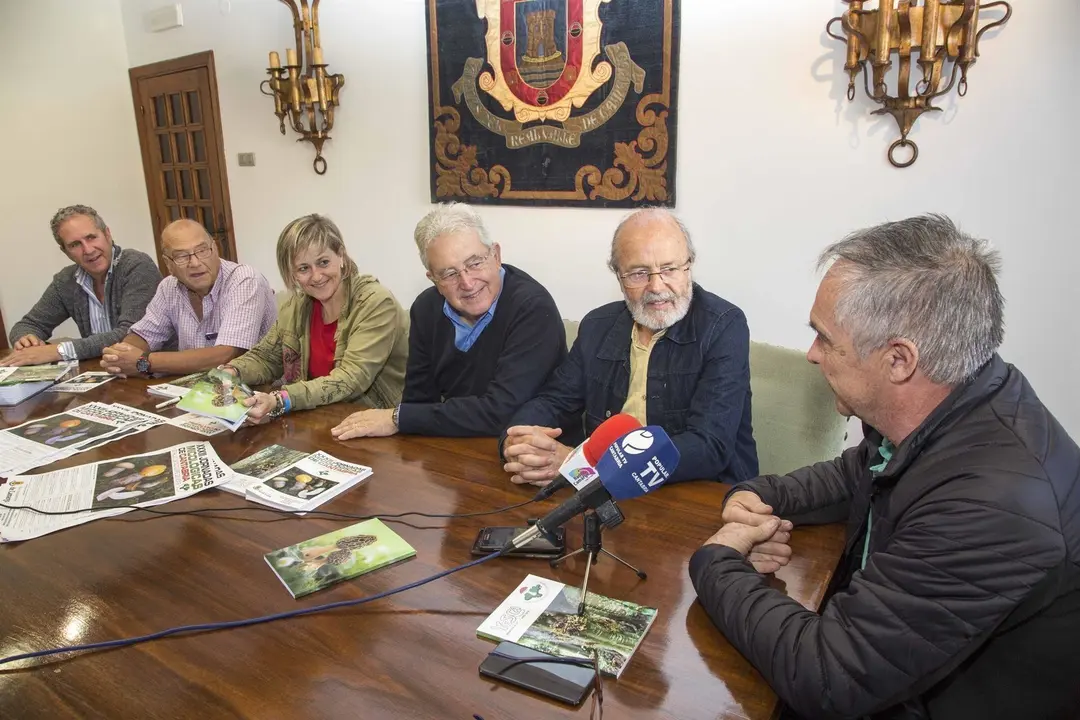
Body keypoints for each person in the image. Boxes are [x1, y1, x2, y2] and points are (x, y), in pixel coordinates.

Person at [690, 215, 1080, 719]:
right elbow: (859, 473)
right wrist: (760, 495)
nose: (811, 355)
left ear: (899, 361)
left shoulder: (991, 502)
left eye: (826, 339)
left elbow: (827, 677)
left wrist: (717, 559)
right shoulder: (957, 402)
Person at [501, 208, 758, 486]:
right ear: (618, 276)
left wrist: (585, 464)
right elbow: (554, 401)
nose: (657, 286)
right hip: (608, 493)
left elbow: (709, 446)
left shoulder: (723, 325)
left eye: (670, 269)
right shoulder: (598, 325)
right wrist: (517, 441)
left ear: (689, 265)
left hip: (700, 493)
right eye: (639, 273)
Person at [330, 203, 566, 440]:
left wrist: (398, 418)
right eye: (449, 274)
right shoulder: (426, 309)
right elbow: (418, 400)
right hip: (454, 446)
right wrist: (408, 419)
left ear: (496, 255)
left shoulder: (532, 308)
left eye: (474, 263)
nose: (467, 282)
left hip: (529, 454)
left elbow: (501, 412)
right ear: (433, 279)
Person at [223, 214, 408, 422]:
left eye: (323, 262)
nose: (316, 276)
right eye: (304, 268)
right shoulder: (296, 307)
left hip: (383, 425)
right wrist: (232, 371)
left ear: (341, 257)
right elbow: (266, 358)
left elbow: (351, 379)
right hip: (321, 421)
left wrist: (281, 399)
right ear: (292, 274)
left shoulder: (375, 302)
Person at [99, 219, 276, 377]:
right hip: (196, 390)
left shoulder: (244, 280)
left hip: (255, 392)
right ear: (168, 263)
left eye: (202, 251)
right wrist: (120, 356)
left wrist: (143, 362)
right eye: (182, 256)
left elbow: (226, 355)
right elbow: (144, 334)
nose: (196, 263)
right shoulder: (169, 287)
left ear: (215, 248)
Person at [3, 205, 160, 366]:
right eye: (75, 244)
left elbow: (131, 335)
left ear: (107, 234)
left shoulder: (137, 265)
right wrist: (27, 342)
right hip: (105, 372)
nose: (88, 249)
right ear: (65, 251)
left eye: (92, 237)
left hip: (150, 372)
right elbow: (29, 324)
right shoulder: (66, 280)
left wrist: (58, 351)